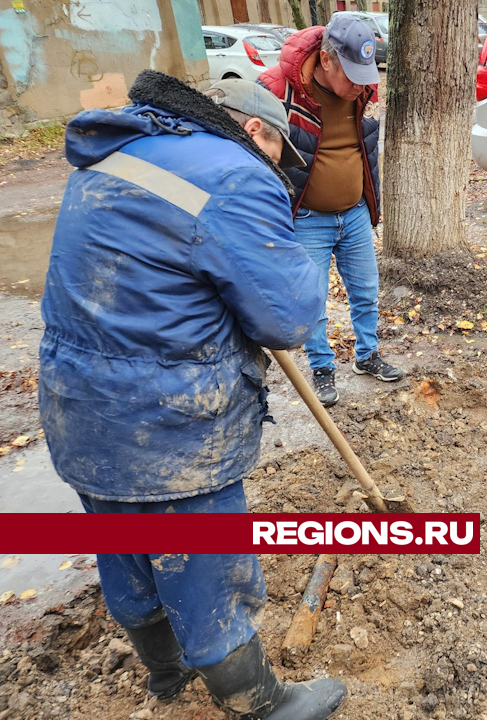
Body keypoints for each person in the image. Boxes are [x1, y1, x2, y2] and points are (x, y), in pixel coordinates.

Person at [39, 71, 345, 720]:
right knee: (207, 574)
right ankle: (261, 704)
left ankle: (165, 675)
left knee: (125, 553)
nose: (278, 169)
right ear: (254, 129)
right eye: (277, 153)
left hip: (77, 409)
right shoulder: (235, 171)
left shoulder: (114, 150)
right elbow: (288, 316)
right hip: (170, 423)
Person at [259, 14, 403, 407]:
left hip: (354, 212)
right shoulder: (277, 90)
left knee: (366, 292)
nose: (363, 85)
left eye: (367, 74)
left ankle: (367, 356)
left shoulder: (360, 89)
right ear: (326, 60)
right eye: (353, 75)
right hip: (308, 219)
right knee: (313, 300)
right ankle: (322, 367)